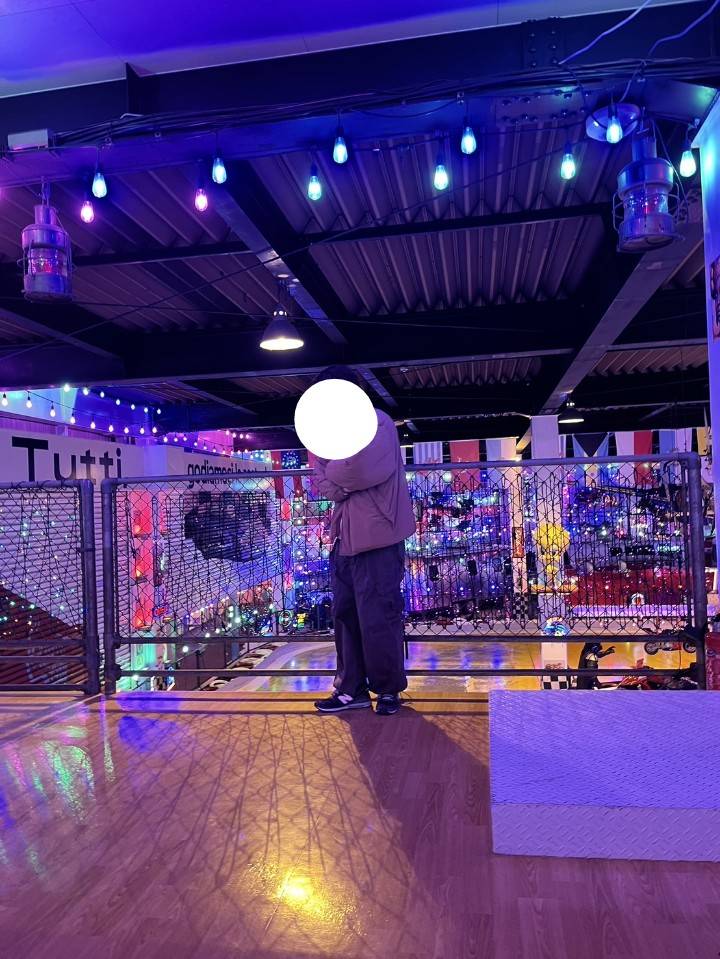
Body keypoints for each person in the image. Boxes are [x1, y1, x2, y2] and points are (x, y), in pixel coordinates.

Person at [311, 366, 416, 716]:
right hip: (344, 539)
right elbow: (324, 481)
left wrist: (334, 471)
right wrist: (337, 475)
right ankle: (350, 689)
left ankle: (387, 689)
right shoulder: (328, 434)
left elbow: (359, 471)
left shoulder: (378, 422)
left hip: (379, 538)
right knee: (345, 616)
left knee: (379, 616)